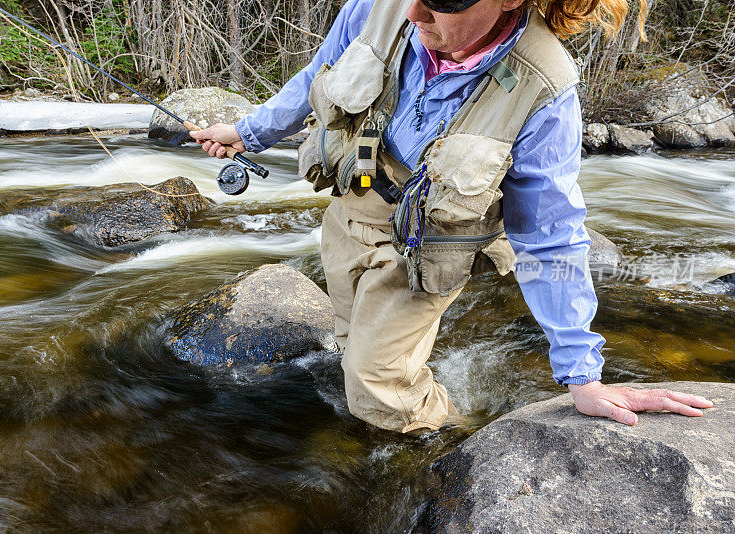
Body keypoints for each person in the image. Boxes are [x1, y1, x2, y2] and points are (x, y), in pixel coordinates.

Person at [191, 0, 713, 433]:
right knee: (351, 342)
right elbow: (315, 76)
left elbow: (550, 236)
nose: (415, 12)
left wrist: (583, 377)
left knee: (378, 391)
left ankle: (452, 440)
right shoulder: (379, 7)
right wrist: (248, 132)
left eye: (445, 1)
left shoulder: (544, 89)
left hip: (431, 245)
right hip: (353, 208)